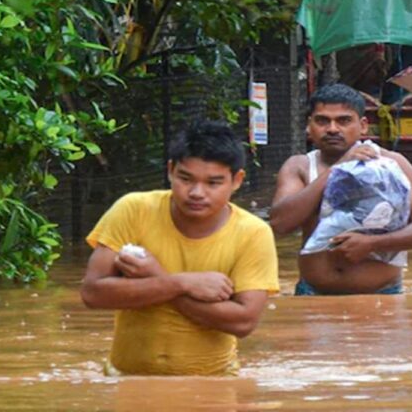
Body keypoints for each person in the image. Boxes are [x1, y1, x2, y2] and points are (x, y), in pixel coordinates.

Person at [80, 120, 279, 376]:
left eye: (213, 183)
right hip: (125, 378)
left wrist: (157, 277)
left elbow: (243, 322)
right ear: (171, 170)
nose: (197, 193)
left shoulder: (253, 233)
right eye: (186, 179)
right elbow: (93, 294)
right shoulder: (133, 209)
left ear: (237, 180)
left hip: (214, 383)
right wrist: (181, 283)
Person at [270, 83, 412, 295]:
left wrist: (372, 244)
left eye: (344, 120)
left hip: (383, 295)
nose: (332, 128)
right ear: (309, 126)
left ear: (363, 125)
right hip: (314, 294)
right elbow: (279, 224)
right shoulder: (300, 167)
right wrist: (337, 170)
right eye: (323, 120)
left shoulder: (393, 164)